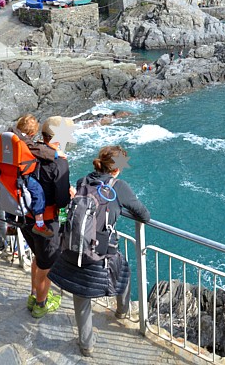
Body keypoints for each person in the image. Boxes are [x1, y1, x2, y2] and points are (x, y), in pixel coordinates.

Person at [48, 145, 150, 357]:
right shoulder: (118, 186)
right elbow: (144, 215)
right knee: (122, 273)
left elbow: (69, 211)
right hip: (103, 251)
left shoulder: (83, 181)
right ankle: (122, 313)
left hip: (75, 247)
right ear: (116, 169)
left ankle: (86, 345)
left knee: (81, 293)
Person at [18, 116, 72, 318]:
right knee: (47, 265)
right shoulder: (58, 163)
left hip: (26, 216)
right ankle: (41, 304)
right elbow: (61, 201)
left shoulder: (29, 150)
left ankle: (34, 295)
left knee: (39, 258)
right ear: (59, 137)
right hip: (46, 223)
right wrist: (69, 192)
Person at [11, 115, 63, 239]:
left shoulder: (11, 135)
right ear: (32, 133)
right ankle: (39, 224)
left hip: (8, 172)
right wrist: (55, 154)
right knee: (38, 192)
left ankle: (11, 223)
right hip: (21, 175)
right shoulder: (60, 164)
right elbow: (62, 197)